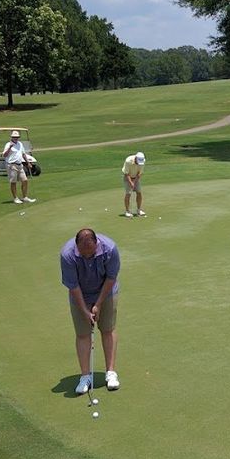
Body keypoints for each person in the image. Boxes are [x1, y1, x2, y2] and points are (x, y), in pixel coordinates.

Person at [60, 227, 121, 394]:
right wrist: (85, 310)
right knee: (82, 333)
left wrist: (98, 304)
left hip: (106, 291)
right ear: (77, 245)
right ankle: (85, 376)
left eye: (91, 252)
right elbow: (73, 285)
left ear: (96, 243)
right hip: (80, 293)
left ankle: (111, 373)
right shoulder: (67, 255)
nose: (87, 255)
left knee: (107, 329)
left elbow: (111, 277)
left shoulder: (110, 249)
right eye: (83, 252)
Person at [2, 129, 36, 204]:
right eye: (14, 137)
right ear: (11, 137)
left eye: (17, 137)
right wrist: (10, 148)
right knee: (13, 182)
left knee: (25, 180)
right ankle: (15, 198)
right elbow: (4, 155)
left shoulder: (20, 144)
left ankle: (25, 197)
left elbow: (23, 154)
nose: (16, 138)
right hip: (11, 165)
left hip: (19, 164)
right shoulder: (8, 144)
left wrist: (28, 163)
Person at [122, 151, 146, 217]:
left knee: (139, 192)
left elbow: (139, 173)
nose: (139, 163)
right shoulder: (128, 161)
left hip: (136, 177)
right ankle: (127, 211)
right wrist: (131, 182)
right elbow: (126, 173)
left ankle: (139, 210)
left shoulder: (142, 161)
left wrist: (134, 182)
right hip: (127, 177)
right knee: (128, 193)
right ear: (135, 158)